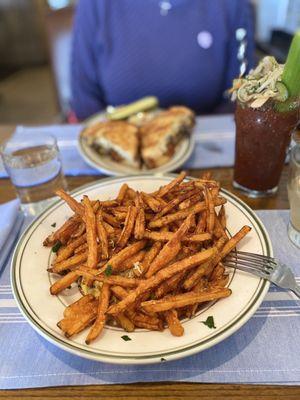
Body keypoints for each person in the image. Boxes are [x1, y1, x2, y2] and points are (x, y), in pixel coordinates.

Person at [71, 0, 254, 120]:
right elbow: (84, 98)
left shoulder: (234, 5)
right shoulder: (94, 4)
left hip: (205, 147)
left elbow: (241, 94)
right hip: (114, 150)